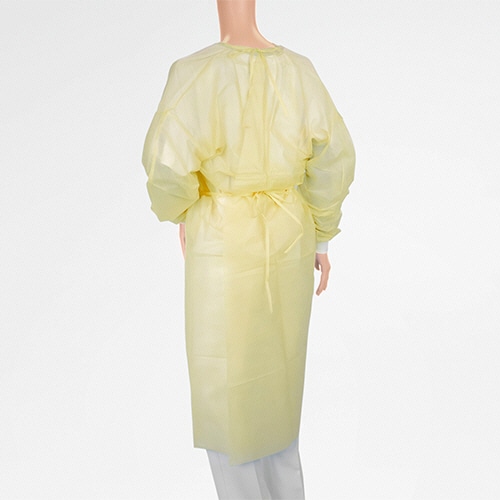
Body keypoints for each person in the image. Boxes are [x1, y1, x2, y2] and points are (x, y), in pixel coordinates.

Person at [141, 1, 355, 497]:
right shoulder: (299, 71)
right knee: (278, 384)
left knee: (227, 387)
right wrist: (321, 234)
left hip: (223, 236)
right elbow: (335, 157)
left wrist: (183, 211)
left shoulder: (196, 73)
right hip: (290, 235)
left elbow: (166, 164)